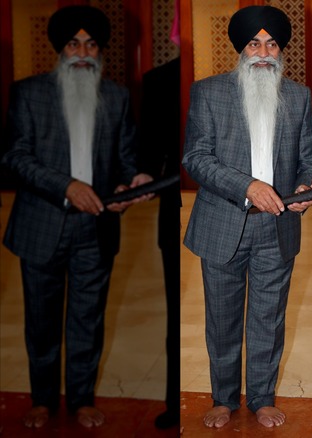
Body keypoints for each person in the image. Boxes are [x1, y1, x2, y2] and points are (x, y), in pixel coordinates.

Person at [1, 5, 151, 429]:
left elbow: (125, 160)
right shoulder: (29, 93)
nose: (83, 52)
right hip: (42, 224)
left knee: (88, 317)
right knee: (42, 321)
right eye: (74, 44)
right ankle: (43, 400)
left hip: (95, 227)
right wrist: (65, 185)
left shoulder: (117, 96)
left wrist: (130, 183)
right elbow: (14, 157)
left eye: (90, 44)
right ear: (61, 50)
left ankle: (82, 398)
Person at [181, 5, 312, 430]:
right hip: (224, 222)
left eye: (272, 44)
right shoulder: (208, 92)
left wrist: (303, 189)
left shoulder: (298, 97)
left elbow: (307, 159)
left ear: (281, 51)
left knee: (268, 317)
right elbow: (196, 158)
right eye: (254, 44)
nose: (263, 52)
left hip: (276, 226)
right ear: (241, 50)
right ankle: (223, 398)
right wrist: (247, 186)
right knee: (222, 318)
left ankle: (262, 397)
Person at [138, 55, 181, 429]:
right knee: (175, 313)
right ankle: (174, 402)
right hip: (173, 211)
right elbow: (148, 147)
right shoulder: (159, 80)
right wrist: (141, 176)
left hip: (235, 207)